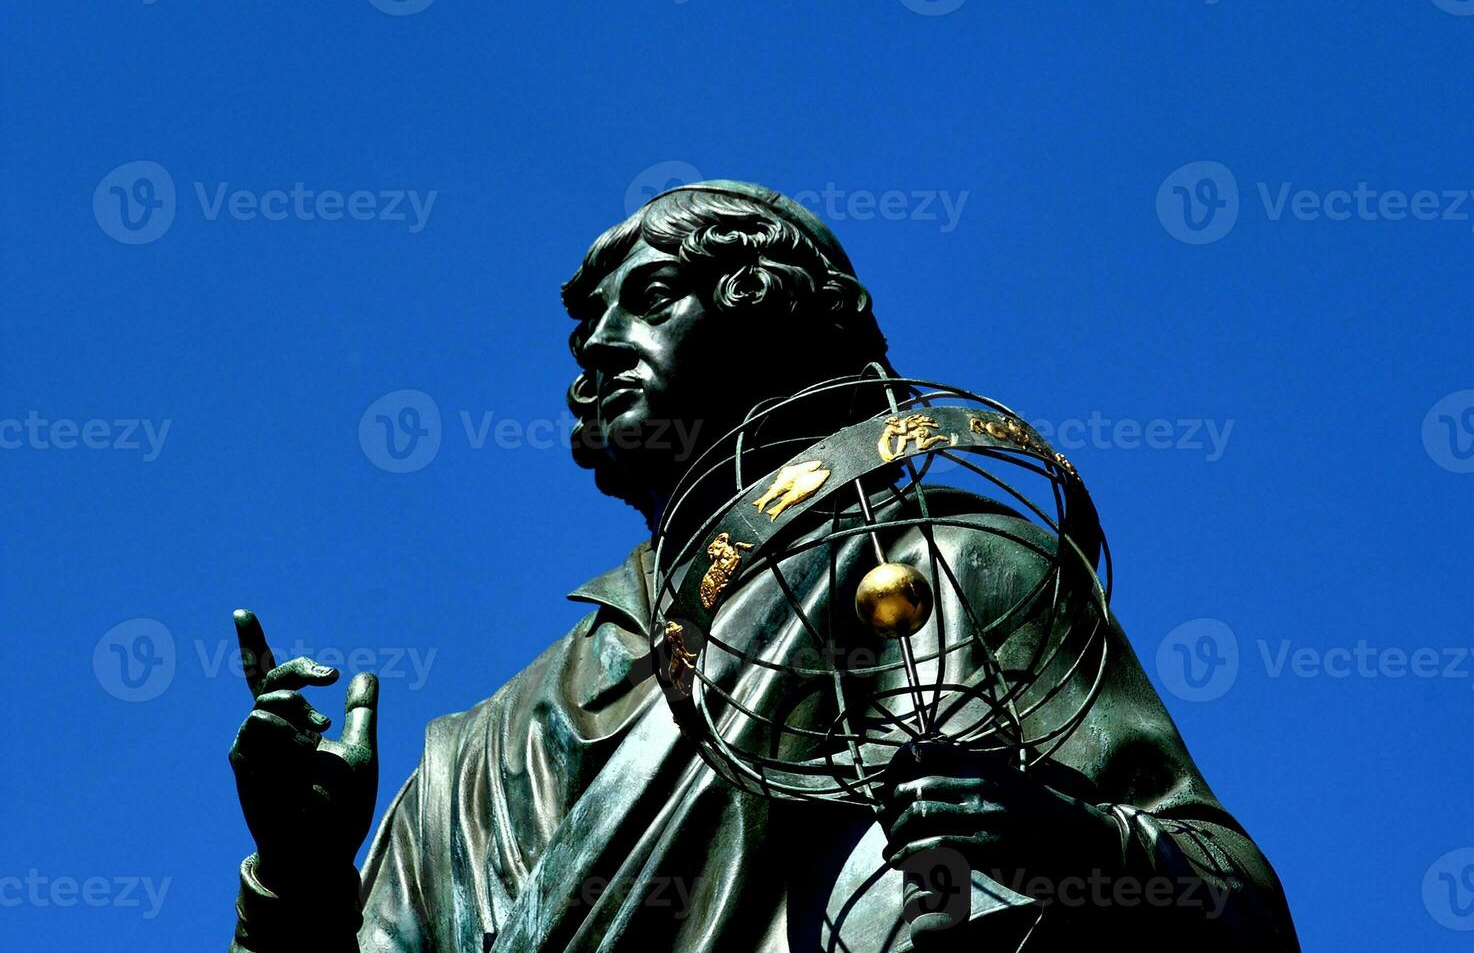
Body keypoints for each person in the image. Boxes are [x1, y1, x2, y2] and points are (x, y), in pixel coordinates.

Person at [226, 181, 1300, 951]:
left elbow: (1239, 909)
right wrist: (297, 881)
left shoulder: (946, 562)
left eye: (649, 299)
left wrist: (1065, 839)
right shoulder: (473, 757)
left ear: (771, 319)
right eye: (584, 326)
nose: (596, 346)